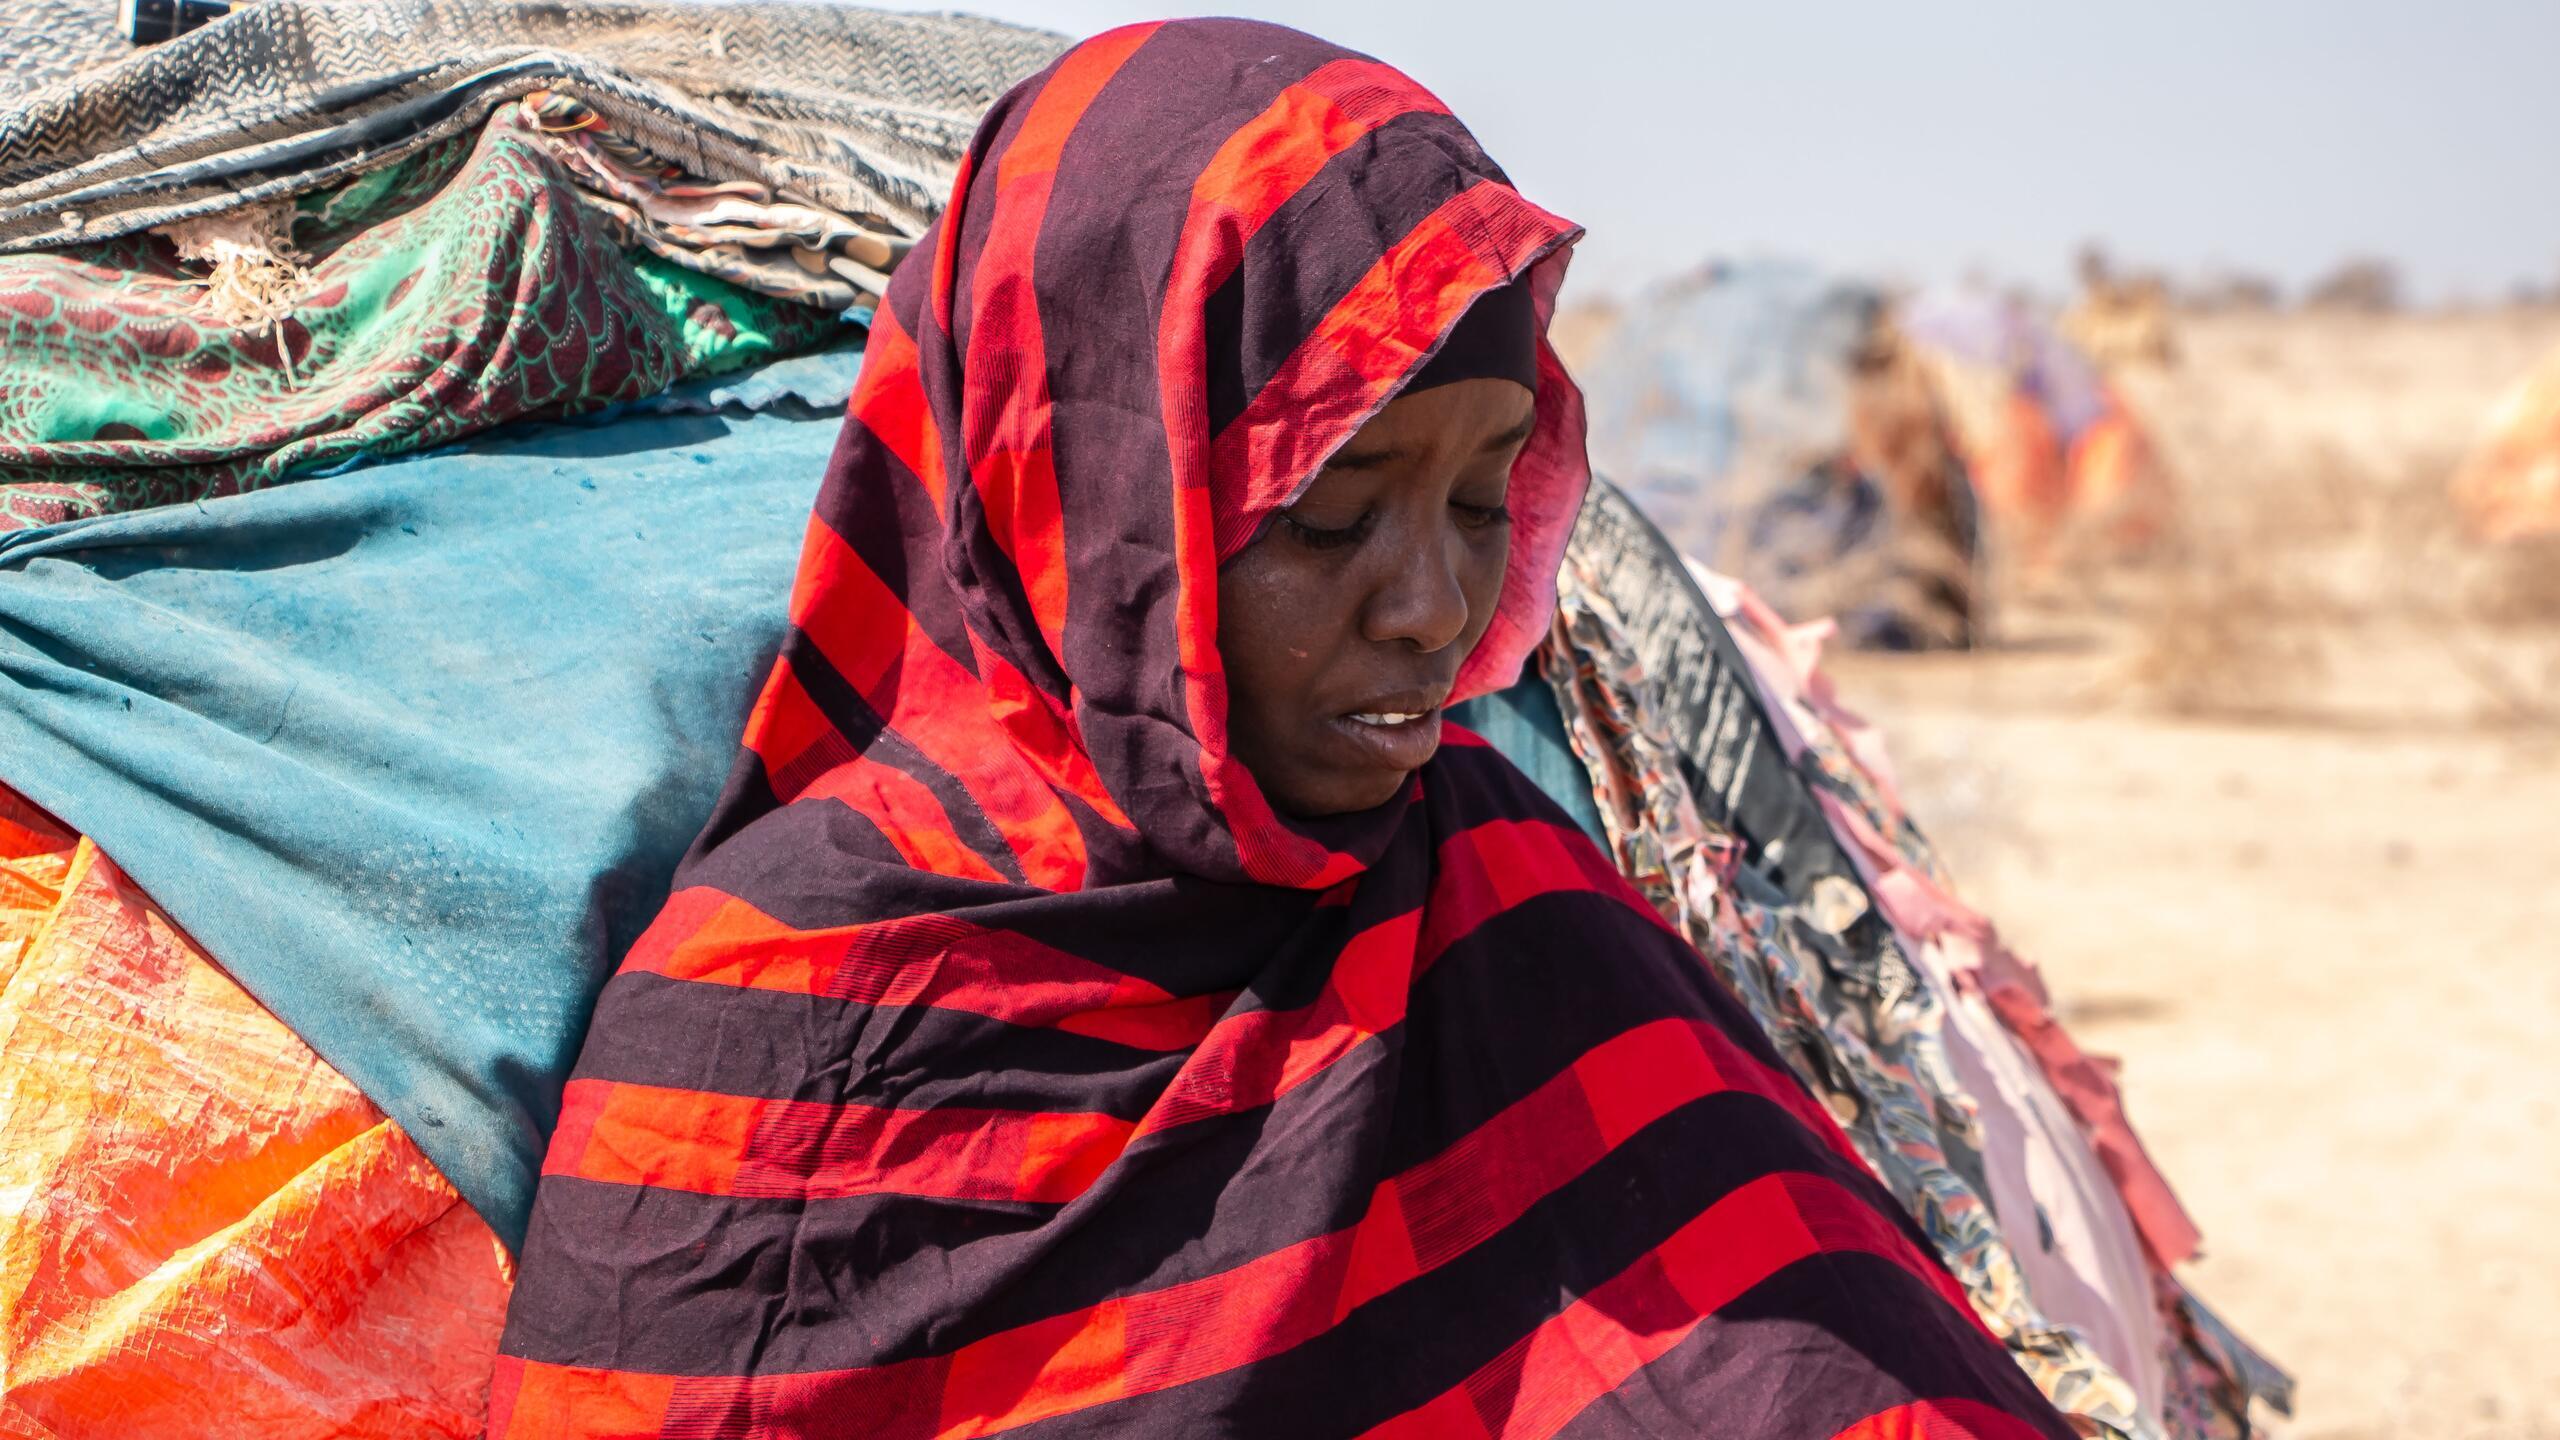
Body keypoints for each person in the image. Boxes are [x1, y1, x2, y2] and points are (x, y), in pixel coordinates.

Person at [489, 20, 2075, 1438]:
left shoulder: (1502, 909)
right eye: (1328, 517)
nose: (1435, 612)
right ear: (1091, 501)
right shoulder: (789, 1041)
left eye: (1479, 500)